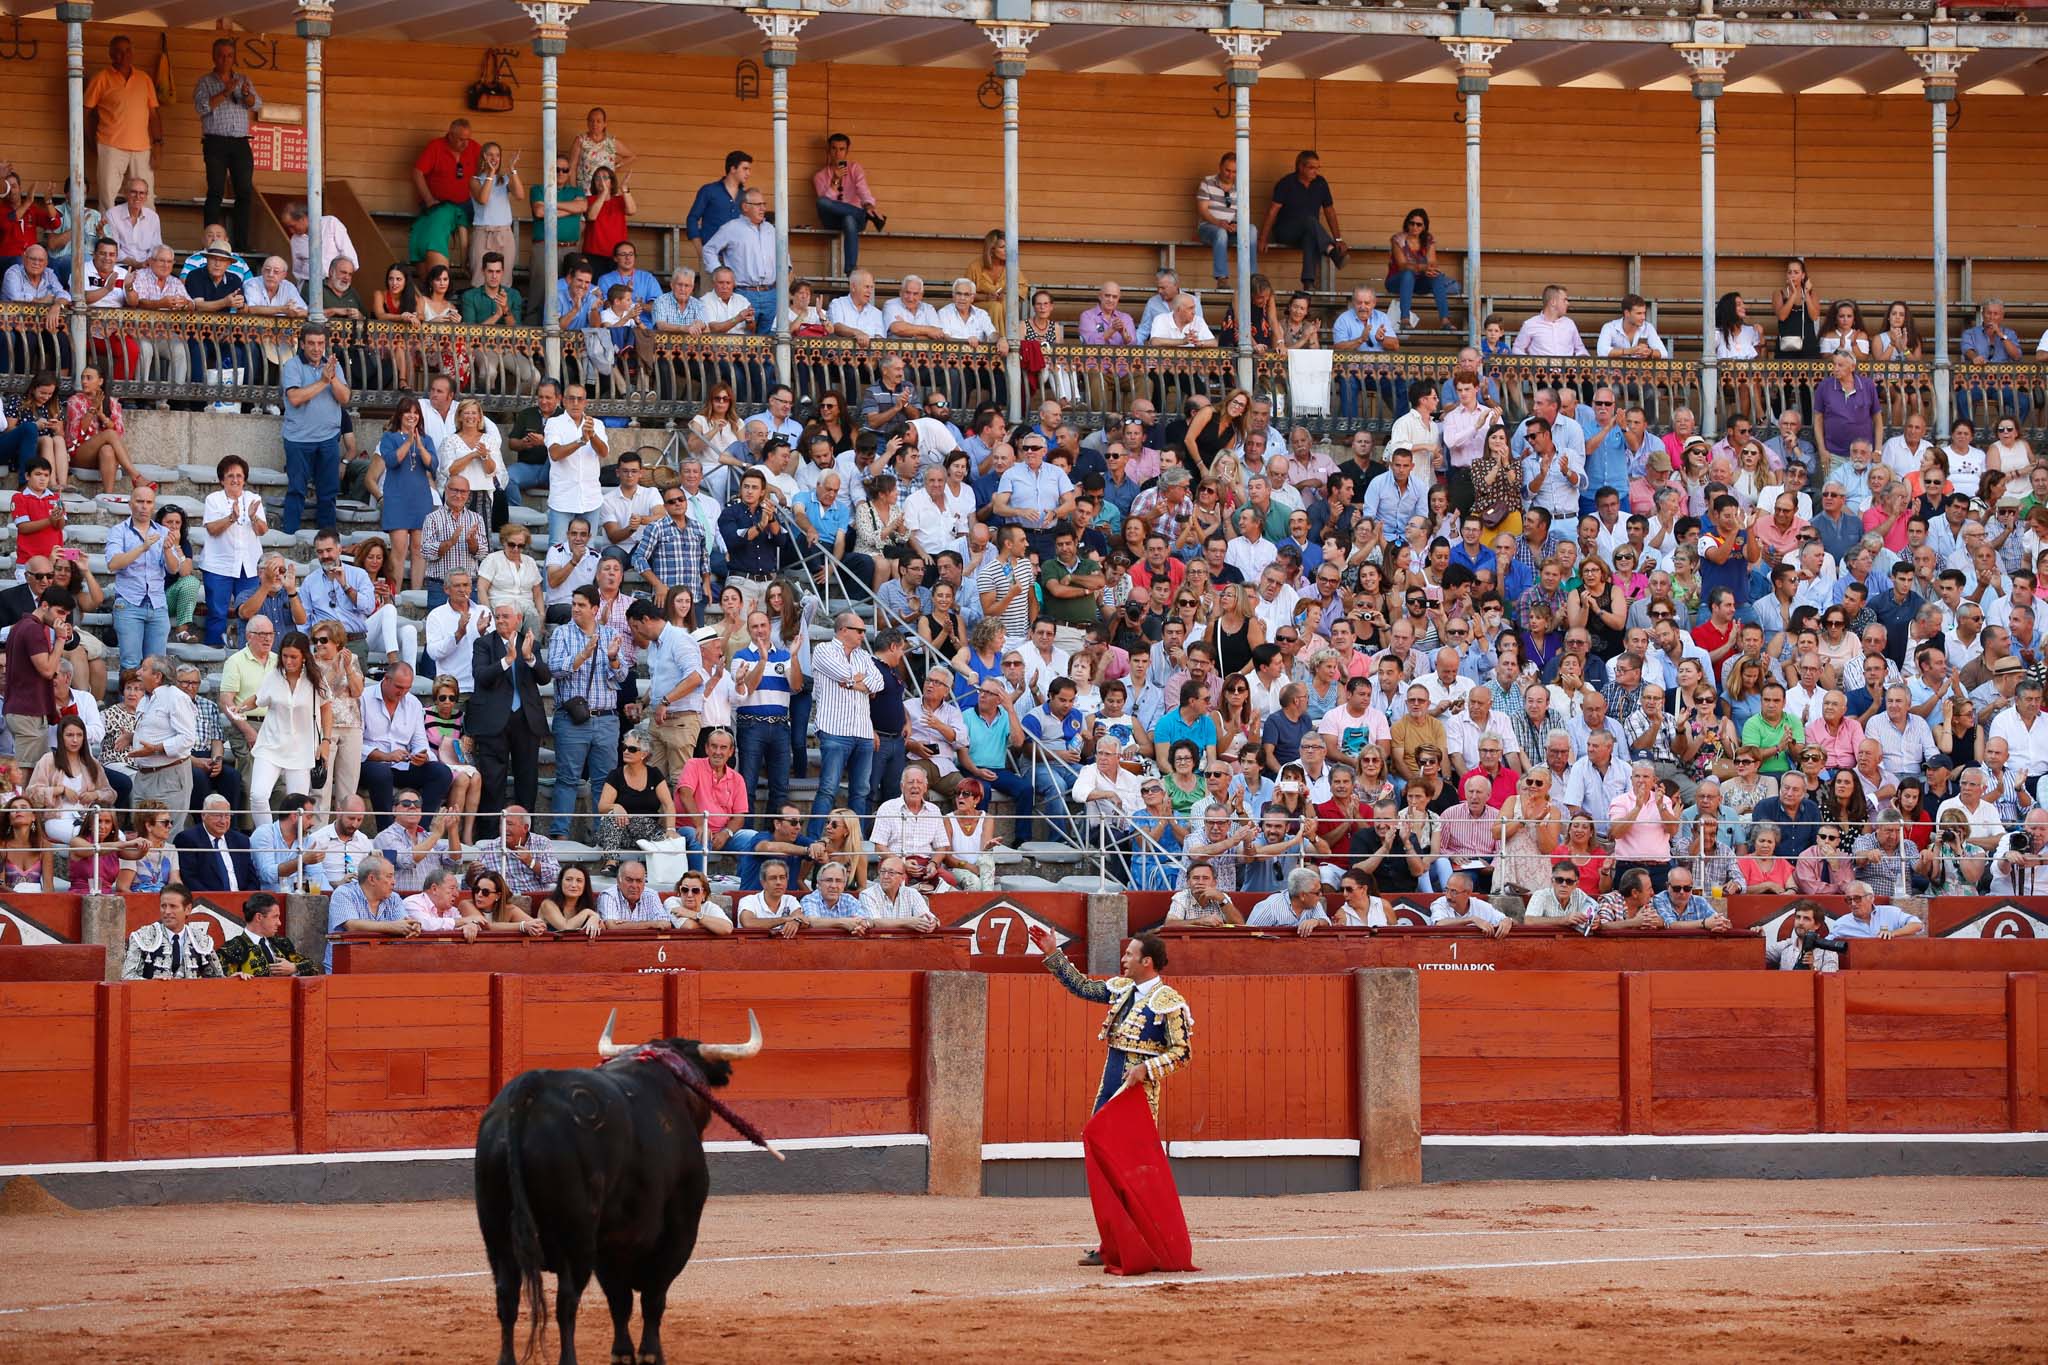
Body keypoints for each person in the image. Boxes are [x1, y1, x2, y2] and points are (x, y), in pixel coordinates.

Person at [1028, 923, 1194, 1271]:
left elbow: (1182, 1053)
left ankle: (1144, 1241)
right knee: (1105, 1168)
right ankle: (1112, 1243)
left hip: (1138, 1096)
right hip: (1109, 1087)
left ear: (1147, 961)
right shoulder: (1122, 990)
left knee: (1132, 1171)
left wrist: (1146, 1070)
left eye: (1130, 954)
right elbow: (1083, 987)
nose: (1123, 959)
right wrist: (1052, 953)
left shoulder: (1169, 1002)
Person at [470, 604, 552, 836]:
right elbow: (481, 676)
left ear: (518, 619)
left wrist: (529, 658)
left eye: (506, 616)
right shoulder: (484, 644)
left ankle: (527, 835)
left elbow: (545, 678)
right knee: (492, 781)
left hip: (526, 720)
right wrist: (506, 661)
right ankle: (489, 836)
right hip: (494, 722)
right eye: (498, 616)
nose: (501, 620)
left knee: (527, 782)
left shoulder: (530, 643)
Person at [1260, 149, 1343, 290]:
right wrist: (1263, 238)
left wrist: (1338, 240)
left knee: (1310, 236)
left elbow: (1330, 211)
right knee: (1309, 220)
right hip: (1286, 231)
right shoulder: (1286, 183)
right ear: (1301, 167)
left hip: (1308, 232)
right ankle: (1330, 250)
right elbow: (1272, 211)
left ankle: (1308, 283)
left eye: (1317, 168)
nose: (1315, 172)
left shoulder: (1321, 183)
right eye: (1311, 168)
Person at [121, 885, 222, 980]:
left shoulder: (201, 939)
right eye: (163, 906)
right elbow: (128, 976)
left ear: (187, 909)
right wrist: (151, 984)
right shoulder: (143, 936)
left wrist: (235, 979)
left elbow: (218, 980)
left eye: (173, 906)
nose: (167, 911)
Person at [173, 795, 259, 894]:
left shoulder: (240, 840)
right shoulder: (187, 839)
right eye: (217, 815)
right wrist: (215, 901)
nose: (223, 821)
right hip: (207, 902)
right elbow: (189, 879)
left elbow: (252, 879)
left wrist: (246, 900)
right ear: (203, 815)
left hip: (242, 902)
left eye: (227, 815)